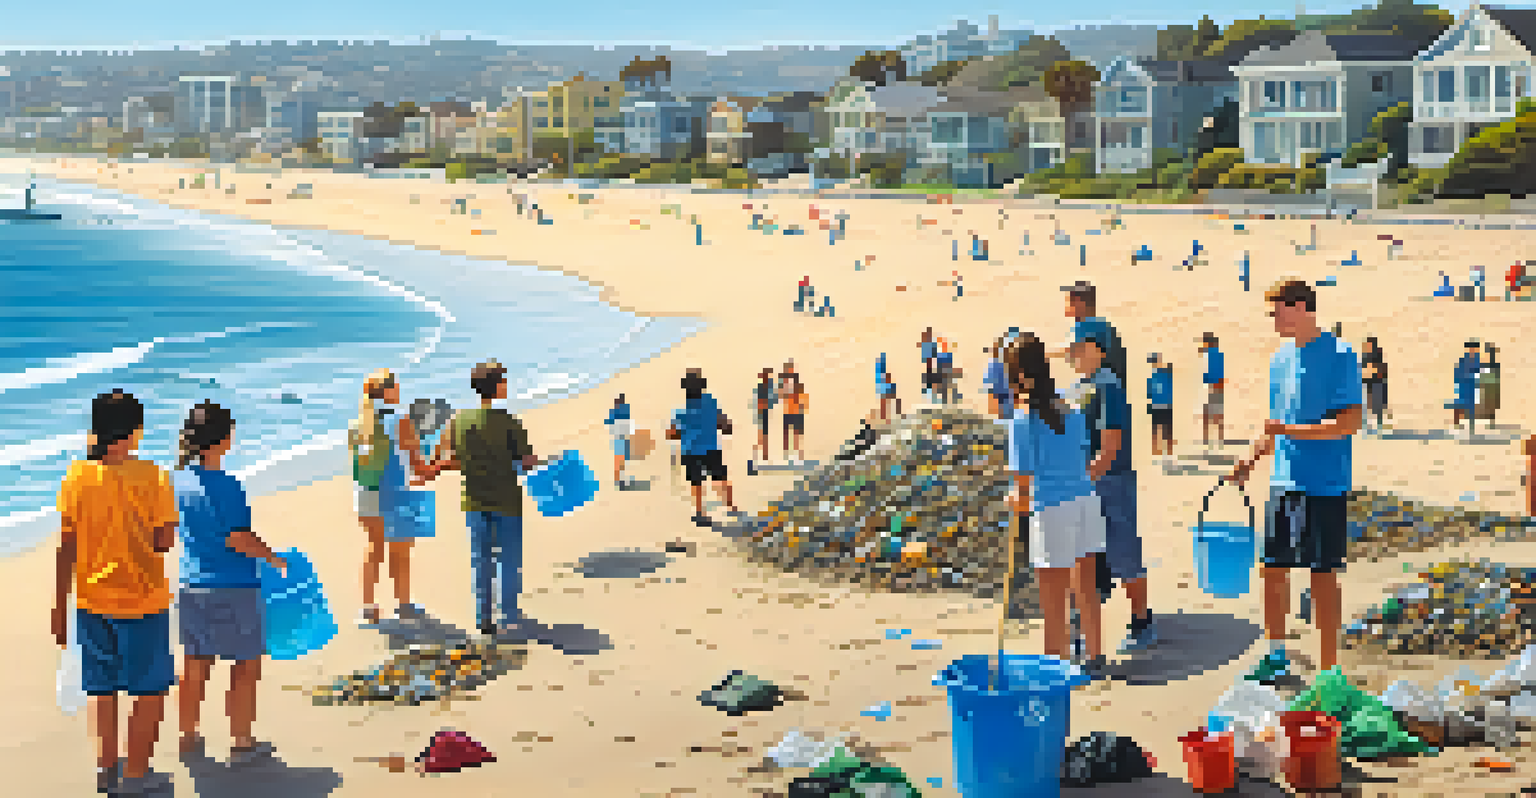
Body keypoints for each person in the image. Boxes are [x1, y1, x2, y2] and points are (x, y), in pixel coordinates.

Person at [1229, 278, 1362, 673]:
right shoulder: (1279, 360)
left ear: (1302, 306)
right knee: (1272, 568)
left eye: (1278, 312)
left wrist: (1292, 432)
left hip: (1325, 482)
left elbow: (1349, 421)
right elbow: (1275, 424)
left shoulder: (1340, 354)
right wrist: (1251, 458)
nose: (1274, 321)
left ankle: (1328, 667)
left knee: (1323, 576)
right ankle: (1275, 655)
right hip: (1283, 480)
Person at [54, 390, 179, 794]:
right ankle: (137, 774)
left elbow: (66, 545)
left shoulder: (76, 476)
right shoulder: (154, 477)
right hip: (142, 600)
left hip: (91, 601)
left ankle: (106, 770)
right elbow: (163, 542)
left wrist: (59, 605)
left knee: (101, 689)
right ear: (136, 431)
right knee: (149, 690)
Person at [172, 401, 287, 768]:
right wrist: (272, 556)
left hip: (192, 585)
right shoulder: (228, 486)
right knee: (245, 665)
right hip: (234, 586)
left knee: (195, 664)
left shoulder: (175, 481)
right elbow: (238, 538)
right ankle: (241, 742)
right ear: (223, 439)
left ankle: (187, 735)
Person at [1005, 333, 1106, 677]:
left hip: (1052, 509)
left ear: (1018, 376)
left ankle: (1055, 671)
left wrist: (1013, 502)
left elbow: (1023, 485)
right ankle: (1094, 657)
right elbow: (1081, 456)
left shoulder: (1023, 420)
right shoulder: (1073, 408)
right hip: (1085, 502)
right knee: (1086, 589)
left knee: (1054, 605)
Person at [424, 361, 543, 640]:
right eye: (503, 380)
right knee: (509, 559)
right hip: (506, 501)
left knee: (481, 560)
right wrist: (538, 463)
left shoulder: (458, 421)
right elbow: (526, 463)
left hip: (474, 501)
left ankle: (484, 618)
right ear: (496, 386)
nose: (506, 384)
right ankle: (509, 614)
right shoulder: (510, 422)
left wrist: (432, 470)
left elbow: (452, 459)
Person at [1069, 332, 1157, 653]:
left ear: (1099, 351)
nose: (1073, 353)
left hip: (1111, 482)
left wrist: (1084, 478)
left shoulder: (1107, 387)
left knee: (1123, 552)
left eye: (1080, 347)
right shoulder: (1077, 388)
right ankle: (1081, 631)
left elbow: (1110, 446)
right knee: (1083, 560)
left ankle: (1141, 622)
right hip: (1082, 481)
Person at [348, 369, 432, 626]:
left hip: (365, 495)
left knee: (374, 549)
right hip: (396, 494)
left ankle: (368, 609)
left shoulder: (358, 423)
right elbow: (419, 466)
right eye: (395, 386)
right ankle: (403, 606)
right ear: (386, 391)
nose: (399, 389)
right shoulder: (401, 421)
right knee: (400, 552)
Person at [668, 369, 740, 527]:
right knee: (720, 478)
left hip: (690, 450)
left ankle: (700, 513)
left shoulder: (681, 410)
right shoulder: (710, 402)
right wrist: (723, 427)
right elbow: (724, 423)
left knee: (696, 482)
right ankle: (731, 507)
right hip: (711, 448)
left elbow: (672, 434)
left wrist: (683, 433)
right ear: (702, 387)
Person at [1052, 281, 1128, 385]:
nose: (1068, 304)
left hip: (1104, 383)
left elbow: (1081, 350)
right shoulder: (1100, 325)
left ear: (1080, 303)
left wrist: (1046, 354)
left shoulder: (1087, 325)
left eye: (1072, 300)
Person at [1200, 333, 1226, 448]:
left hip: (1211, 386)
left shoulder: (1208, 355)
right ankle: (1220, 437)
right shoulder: (1219, 354)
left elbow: (1207, 371)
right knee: (1218, 413)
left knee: (1207, 413)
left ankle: (1206, 438)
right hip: (1218, 386)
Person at [780, 362, 809, 464]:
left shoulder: (798, 385)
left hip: (796, 411)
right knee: (786, 434)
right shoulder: (784, 385)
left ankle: (797, 455)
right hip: (787, 411)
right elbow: (781, 396)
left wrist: (803, 408)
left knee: (796, 434)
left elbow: (803, 397)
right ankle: (787, 454)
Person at [748, 368, 776, 474]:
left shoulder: (764, 388)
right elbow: (765, 401)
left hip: (763, 414)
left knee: (763, 437)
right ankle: (760, 457)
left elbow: (771, 400)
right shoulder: (763, 388)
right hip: (762, 414)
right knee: (762, 437)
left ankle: (763, 457)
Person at [1147, 353, 1175, 458]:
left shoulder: (1163, 374)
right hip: (1160, 405)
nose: (1154, 364)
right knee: (1160, 429)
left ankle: (1166, 450)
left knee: (1164, 430)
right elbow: (1149, 392)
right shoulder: (1158, 375)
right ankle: (1159, 450)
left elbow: (1149, 392)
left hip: (1164, 405)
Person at [1361, 337, 1389, 434]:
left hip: (1377, 383)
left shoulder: (1377, 355)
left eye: (1369, 345)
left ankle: (1379, 425)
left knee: (1377, 407)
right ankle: (1365, 426)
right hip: (1367, 383)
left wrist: (1373, 371)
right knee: (1364, 406)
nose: (1367, 347)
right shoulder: (1365, 356)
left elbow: (1381, 370)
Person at [1452, 341, 1481, 435]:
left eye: (1475, 349)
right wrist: (1459, 383)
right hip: (1464, 386)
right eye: (1472, 349)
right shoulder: (1464, 360)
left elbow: (1479, 373)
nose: (1474, 350)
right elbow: (1458, 372)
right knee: (1461, 404)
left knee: (1472, 406)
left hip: (1473, 386)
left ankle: (1471, 426)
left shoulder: (1477, 360)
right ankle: (1457, 423)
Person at [605, 394, 632, 489]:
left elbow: (609, 422)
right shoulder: (624, 410)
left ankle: (619, 479)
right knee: (621, 460)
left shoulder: (616, 411)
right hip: (621, 438)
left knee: (620, 460)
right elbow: (627, 423)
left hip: (619, 437)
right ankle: (620, 480)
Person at [984, 338, 1013, 418]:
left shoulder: (1006, 364)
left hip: (1007, 394)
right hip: (1000, 394)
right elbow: (990, 381)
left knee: (1008, 415)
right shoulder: (996, 364)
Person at [1479, 343, 1502, 426]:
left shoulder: (1494, 367)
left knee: (1490, 404)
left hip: (1490, 386)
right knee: (1488, 403)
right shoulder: (1486, 366)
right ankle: (1489, 420)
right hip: (1488, 386)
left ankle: (1490, 420)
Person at [919, 328, 939, 404]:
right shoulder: (928, 344)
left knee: (930, 377)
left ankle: (930, 395)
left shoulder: (931, 345)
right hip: (929, 363)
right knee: (928, 377)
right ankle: (929, 395)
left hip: (931, 363)